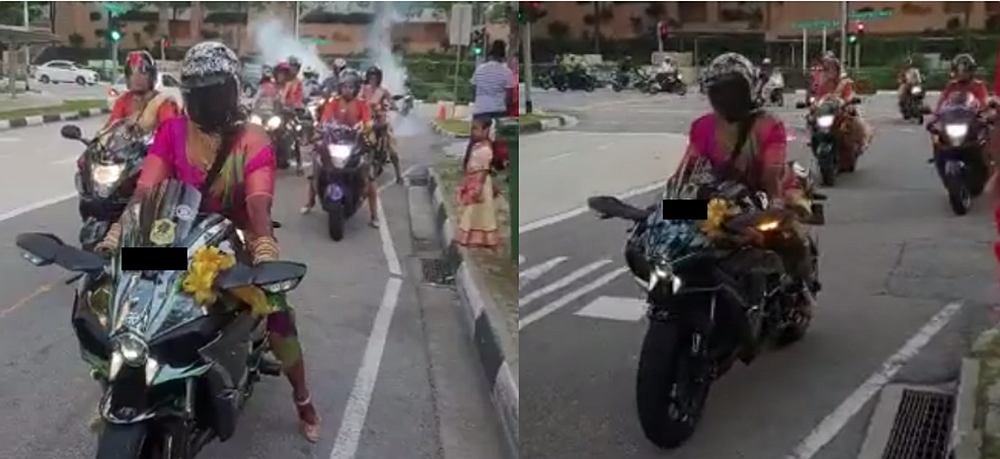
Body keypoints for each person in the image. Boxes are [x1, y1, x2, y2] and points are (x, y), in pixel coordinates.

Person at [94, 42, 321, 442]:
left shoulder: (252, 139)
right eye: (197, 92)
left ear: (232, 91)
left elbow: (257, 206)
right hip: (177, 239)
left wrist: (264, 250)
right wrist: (115, 238)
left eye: (214, 91)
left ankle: (303, 399)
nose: (206, 100)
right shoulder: (172, 131)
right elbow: (145, 192)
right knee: (126, 295)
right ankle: (123, 389)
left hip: (233, 239)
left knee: (279, 314)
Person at [674, 53, 815, 302]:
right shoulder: (702, 126)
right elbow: (687, 167)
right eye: (718, 91)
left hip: (763, 193)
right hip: (721, 197)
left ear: (748, 90)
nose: (725, 98)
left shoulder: (768, 124)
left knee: (789, 236)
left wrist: (775, 203)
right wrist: (669, 201)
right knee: (679, 233)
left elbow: (772, 171)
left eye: (732, 91)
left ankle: (801, 285)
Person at [305, 69, 382, 228]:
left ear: (356, 88)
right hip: (334, 141)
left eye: (350, 86)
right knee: (316, 167)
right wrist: (320, 129)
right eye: (344, 86)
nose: (347, 89)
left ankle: (374, 215)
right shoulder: (333, 102)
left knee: (369, 177)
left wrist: (366, 128)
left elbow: (367, 121)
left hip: (355, 143)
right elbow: (325, 119)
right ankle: (310, 201)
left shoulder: (362, 104)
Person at [104, 50, 180, 132]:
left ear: (152, 76)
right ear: (127, 78)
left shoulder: (163, 102)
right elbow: (110, 129)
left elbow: (169, 131)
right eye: (131, 72)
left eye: (143, 72)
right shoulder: (123, 101)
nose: (137, 76)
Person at [813, 55, 872, 156]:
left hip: (841, 112)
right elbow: (816, 97)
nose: (829, 72)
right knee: (811, 120)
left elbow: (849, 95)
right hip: (825, 114)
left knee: (856, 122)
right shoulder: (821, 84)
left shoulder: (845, 82)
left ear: (837, 70)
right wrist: (812, 104)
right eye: (826, 69)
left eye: (831, 68)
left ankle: (859, 145)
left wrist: (848, 101)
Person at [456, 118, 500, 249]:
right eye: (472, 129)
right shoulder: (477, 146)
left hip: (480, 184)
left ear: (486, 130)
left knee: (480, 211)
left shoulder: (486, 150)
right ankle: (471, 236)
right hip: (473, 180)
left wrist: (478, 187)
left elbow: (484, 170)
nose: (473, 132)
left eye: (476, 129)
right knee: (471, 210)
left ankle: (482, 238)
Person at [362, 66, 402, 184]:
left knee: (391, 148)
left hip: (380, 121)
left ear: (379, 78)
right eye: (371, 77)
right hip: (367, 121)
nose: (372, 79)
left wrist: (392, 106)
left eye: (375, 77)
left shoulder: (383, 91)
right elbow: (357, 99)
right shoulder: (363, 89)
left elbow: (391, 102)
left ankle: (399, 175)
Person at [471, 39, 516, 122]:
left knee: (480, 134)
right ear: (503, 55)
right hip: (498, 111)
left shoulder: (479, 69)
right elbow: (509, 97)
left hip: (480, 110)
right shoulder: (507, 72)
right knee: (498, 134)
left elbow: (473, 90)